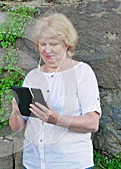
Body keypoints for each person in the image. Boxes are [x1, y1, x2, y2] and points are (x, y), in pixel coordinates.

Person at [9, 13, 102, 169]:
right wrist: (16, 113)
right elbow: (16, 126)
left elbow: (92, 123)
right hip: (33, 164)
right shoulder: (33, 76)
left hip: (72, 164)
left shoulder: (82, 72)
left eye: (53, 44)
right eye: (42, 44)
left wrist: (56, 119)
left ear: (66, 44)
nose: (47, 50)